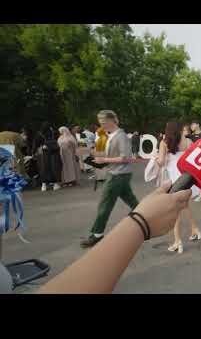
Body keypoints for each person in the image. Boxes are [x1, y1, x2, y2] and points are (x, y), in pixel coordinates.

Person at [37, 181, 191, 294]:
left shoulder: (119, 138)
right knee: (124, 202)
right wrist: (141, 221)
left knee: (107, 204)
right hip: (118, 181)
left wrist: (141, 220)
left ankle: (98, 231)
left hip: (118, 177)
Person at [80, 110, 139, 248]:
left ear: (113, 120)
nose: (102, 125)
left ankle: (97, 234)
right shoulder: (111, 135)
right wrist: (90, 153)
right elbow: (112, 154)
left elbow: (125, 158)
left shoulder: (121, 136)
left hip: (118, 174)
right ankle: (146, 216)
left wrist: (104, 159)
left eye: (104, 122)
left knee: (104, 204)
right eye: (100, 123)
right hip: (118, 173)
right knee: (130, 199)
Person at [155, 122, 201, 254]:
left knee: (175, 209)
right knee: (185, 205)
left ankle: (177, 241)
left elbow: (160, 162)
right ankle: (195, 230)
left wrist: (155, 159)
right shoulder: (188, 141)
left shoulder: (164, 143)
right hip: (187, 176)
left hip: (175, 179)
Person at [33, 122, 63, 192]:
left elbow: (35, 145)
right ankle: (55, 184)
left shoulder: (39, 134)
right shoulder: (54, 133)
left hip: (43, 154)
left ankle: (44, 185)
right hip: (54, 153)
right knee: (54, 168)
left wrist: (34, 153)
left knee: (43, 168)